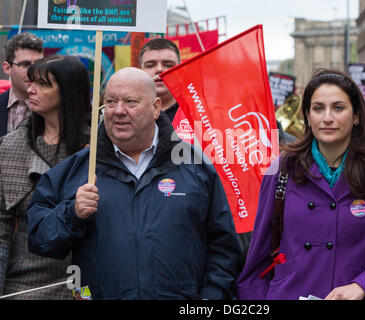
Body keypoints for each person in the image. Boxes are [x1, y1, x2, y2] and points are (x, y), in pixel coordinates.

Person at [26, 67, 241, 300]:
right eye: (110, 102)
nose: (119, 111)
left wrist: (211, 297)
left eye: (130, 102)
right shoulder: (76, 171)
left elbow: (224, 248)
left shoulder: (196, 168)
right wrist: (72, 213)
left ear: (156, 108)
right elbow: (39, 240)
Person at [236, 69, 365, 300]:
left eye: (338, 108)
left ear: (355, 116)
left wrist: (363, 286)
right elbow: (256, 262)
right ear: (307, 115)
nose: (327, 118)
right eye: (318, 108)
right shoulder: (282, 169)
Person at [0, 55, 91, 299]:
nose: (30, 90)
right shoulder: (8, 148)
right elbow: (1, 229)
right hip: (26, 283)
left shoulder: (99, 146)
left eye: (43, 84)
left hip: (87, 282)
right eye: (31, 82)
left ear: (69, 91)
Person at [0, 32, 44, 137]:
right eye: (25, 64)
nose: (34, 71)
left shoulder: (55, 110)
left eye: (39, 64)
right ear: (7, 68)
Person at [140, 38, 181, 121]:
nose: (159, 69)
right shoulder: (126, 112)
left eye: (168, 65)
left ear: (180, 70)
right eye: (150, 65)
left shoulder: (198, 111)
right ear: (140, 71)